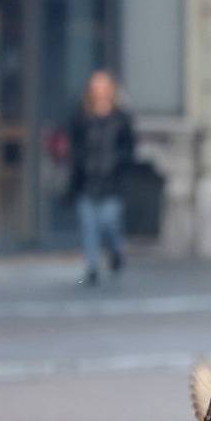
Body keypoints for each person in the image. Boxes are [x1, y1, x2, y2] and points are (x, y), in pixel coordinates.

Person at [68, 70, 135, 286]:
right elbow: (75, 145)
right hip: (87, 180)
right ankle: (92, 267)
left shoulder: (121, 117)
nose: (100, 90)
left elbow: (129, 148)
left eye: (103, 86)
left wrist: (118, 163)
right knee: (89, 226)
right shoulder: (81, 116)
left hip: (112, 181)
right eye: (96, 86)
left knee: (109, 221)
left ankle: (116, 252)